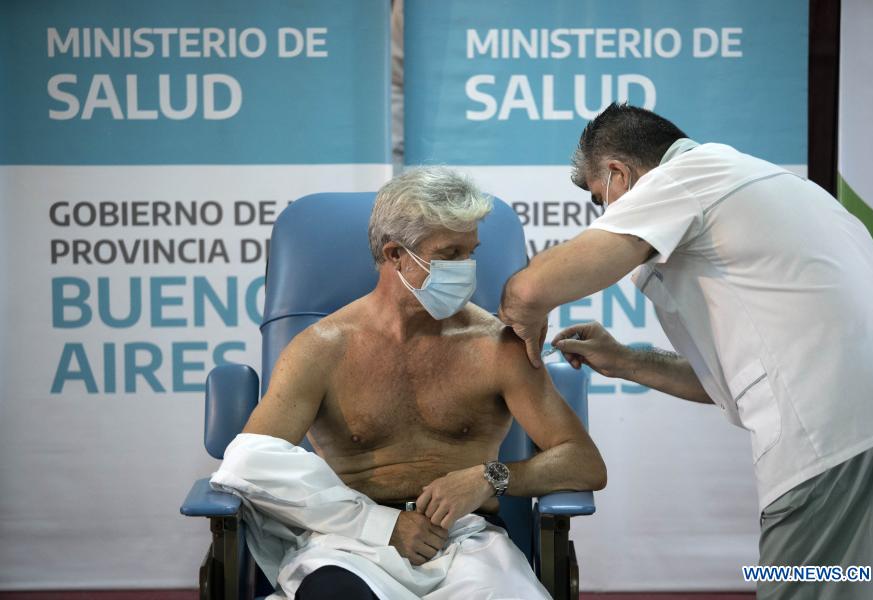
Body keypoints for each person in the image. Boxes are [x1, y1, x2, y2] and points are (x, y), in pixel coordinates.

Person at [498, 103, 873, 599]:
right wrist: (627, 361)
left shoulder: (681, 179)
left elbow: (530, 290)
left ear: (620, 174)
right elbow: (732, 381)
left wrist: (526, 315)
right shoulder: (774, 185)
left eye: (603, 200)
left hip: (833, 442)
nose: (607, 215)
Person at [235, 166, 606, 599]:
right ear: (395, 254)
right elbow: (250, 464)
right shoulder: (322, 348)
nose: (466, 269)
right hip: (352, 543)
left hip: (466, 543)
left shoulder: (496, 346)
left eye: (471, 252)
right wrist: (383, 526)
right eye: (450, 254)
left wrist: (491, 477)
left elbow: (583, 462)